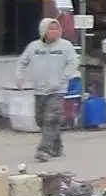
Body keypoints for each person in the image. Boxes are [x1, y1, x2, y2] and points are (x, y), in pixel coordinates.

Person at [16, 18, 79, 163]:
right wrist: (20, 78)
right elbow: (22, 62)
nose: (54, 32)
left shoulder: (65, 46)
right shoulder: (33, 47)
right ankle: (57, 146)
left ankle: (44, 150)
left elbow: (73, 63)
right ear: (43, 30)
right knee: (41, 120)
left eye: (57, 29)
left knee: (51, 118)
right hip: (39, 89)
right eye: (51, 29)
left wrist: (63, 79)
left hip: (57, 90)